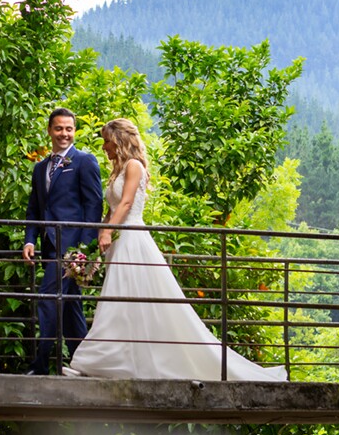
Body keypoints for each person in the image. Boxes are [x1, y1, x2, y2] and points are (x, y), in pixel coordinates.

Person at [64, 118, 287, 382]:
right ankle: (118, 360)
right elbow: (111, 209)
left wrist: (108, 231)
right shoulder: (117, 171)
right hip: (119, 243)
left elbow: (125, 204)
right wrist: (93, 245)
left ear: (120, 141)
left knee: (120, 298)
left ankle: (97, 359)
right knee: (122, 301)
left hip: (133, 240)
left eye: (108, 141)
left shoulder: (134, 166)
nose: (104, 147)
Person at [23, 108, 104, 375]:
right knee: (70, 306)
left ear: (75, 131)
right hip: (49, 247)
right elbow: (35, 209)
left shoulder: (84, 161)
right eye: (59, 128)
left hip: (72, 250)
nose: (64, 134)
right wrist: (29, 240)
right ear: (49, 130)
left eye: (69, 129)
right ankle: (84, 364)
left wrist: (84, 250)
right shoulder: (40, 168)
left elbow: (94, 206)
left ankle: (41, 364)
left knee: (48, 299)